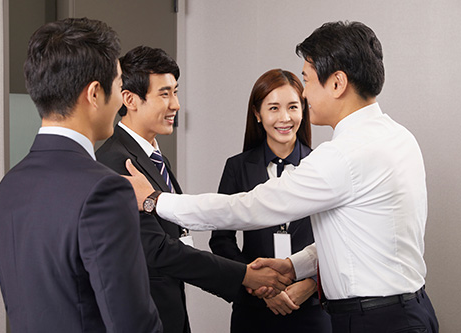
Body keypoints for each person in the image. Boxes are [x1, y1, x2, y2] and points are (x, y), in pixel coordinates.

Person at [126, 21, 439, 333]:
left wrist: (155, 200)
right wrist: (293, 266)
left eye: (307, 81)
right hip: (410, 311)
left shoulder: (342, 155)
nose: (305, 96)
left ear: (337, 83)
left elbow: (249, 207)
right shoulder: (399, 137)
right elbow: (356, 236)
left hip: (374, 321)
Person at [96, 46, 291, 333]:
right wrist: (244, 276)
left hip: (170, 314)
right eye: (164, 94)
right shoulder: (118, 163)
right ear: (130, 99)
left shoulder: (153, 157)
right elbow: (158, 250)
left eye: (175, 91)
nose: (175, 104)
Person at [0, 18, 162, 332]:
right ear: (95, 93)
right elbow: (132, 323)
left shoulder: (5, 190)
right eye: (119, 86)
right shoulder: (105, 190)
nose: (122, 99)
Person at [209, 68, 331, 333]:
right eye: (273, 108)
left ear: (303, 110)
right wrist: (258, 285)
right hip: (254, 311)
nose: (284, 118)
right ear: (257, 113)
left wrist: (310, 283)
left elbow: (338, 238)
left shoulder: (323, 165)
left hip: (311, 309)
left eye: (293, 107)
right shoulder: (237, 167)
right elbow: (220, 239)